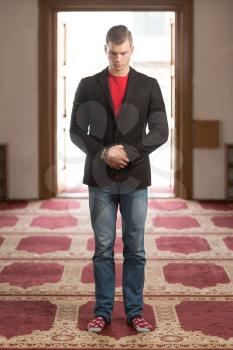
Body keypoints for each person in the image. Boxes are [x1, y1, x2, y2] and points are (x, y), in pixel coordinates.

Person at [70, 25, 168, 333]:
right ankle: (102, 312)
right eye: (112, 53)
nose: (118, 59)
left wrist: (128, 152)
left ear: (132, 49)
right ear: (105, 50)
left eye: (123, 53)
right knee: (102, 247)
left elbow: (161, 132)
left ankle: (135, 312)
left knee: (135, 248)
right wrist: (103, 153)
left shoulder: (149, 85)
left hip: (135, 178)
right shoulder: (88, 85)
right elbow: (75, 131)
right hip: (100, 179)